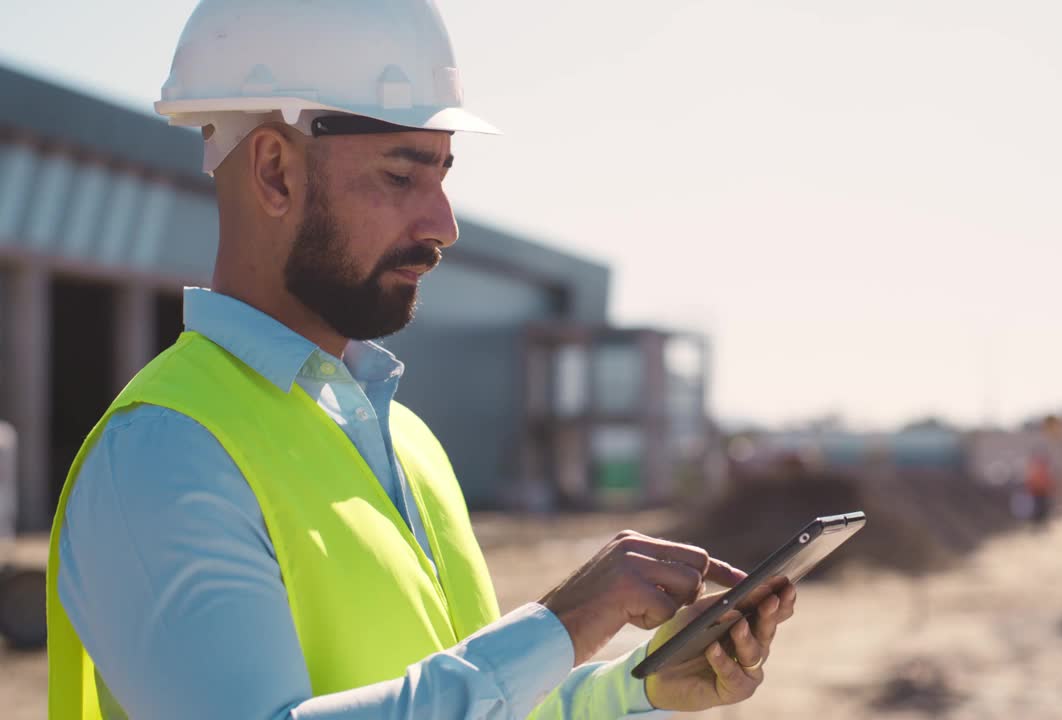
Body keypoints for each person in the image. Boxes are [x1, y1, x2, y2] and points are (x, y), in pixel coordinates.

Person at [45, 2, 796, 718]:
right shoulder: (165, 452)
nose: (443, 225)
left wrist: (639, 690)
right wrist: (560, 625)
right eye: (402, 176)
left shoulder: (406, 442)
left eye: (444, 176)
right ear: (274, 172)